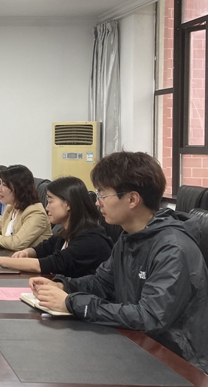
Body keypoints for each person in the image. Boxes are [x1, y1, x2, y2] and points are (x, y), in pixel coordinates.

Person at [30, 152, 208, 374]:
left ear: (132, 199)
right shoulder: (130, 237)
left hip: (178, 365)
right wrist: (63, 285)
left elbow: (149, 317)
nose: (97, 202)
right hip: (137, 347)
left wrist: (72, 303)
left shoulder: (172, 248)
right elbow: (102, 283)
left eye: (103, 194)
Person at [0, 176, 112, 277]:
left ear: (68, 204)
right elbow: (44, 248)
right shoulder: (66, 232)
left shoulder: (89, 240)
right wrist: (28, 252)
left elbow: (43, 264)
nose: (47, 207)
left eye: (50, 201)